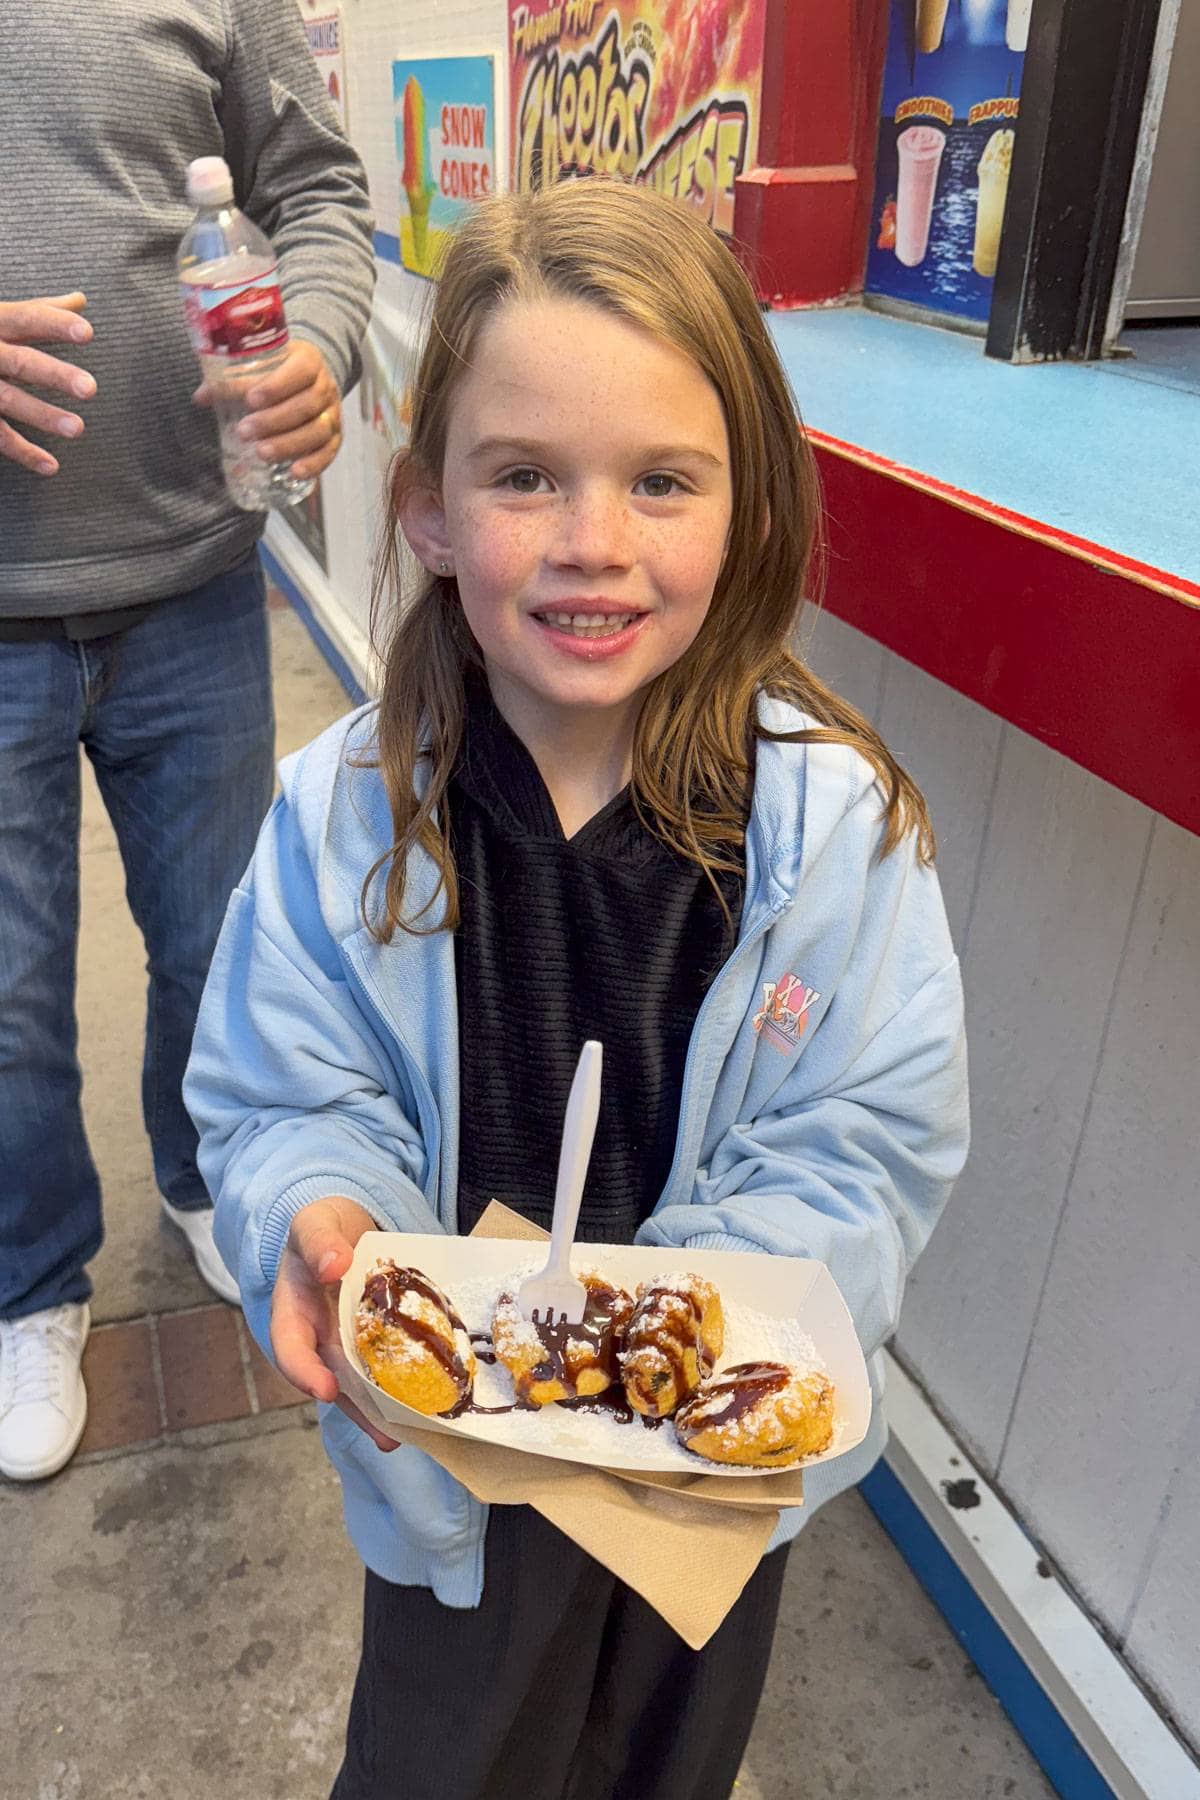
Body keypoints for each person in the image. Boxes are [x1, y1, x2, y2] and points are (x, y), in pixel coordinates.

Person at [186, 180, 969, 1799]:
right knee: (438, 1765)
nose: (593, 542)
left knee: (663, 1767)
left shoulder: (832, 831)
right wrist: (317, 1202)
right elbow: (286, 1089)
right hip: (449, 1492)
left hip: (706, 1494)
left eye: (662, 481)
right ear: (422, 506)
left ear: (751, 509)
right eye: (524, 476)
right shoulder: (345, 817)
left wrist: (640, 1351)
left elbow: (866, 1137)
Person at [0, 0, 374, 1484]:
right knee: (8, 992)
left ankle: (212, 1170)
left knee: (220, 946)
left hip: (197, 583)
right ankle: (29, 1284)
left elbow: (323, 187)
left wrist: (329, 346)